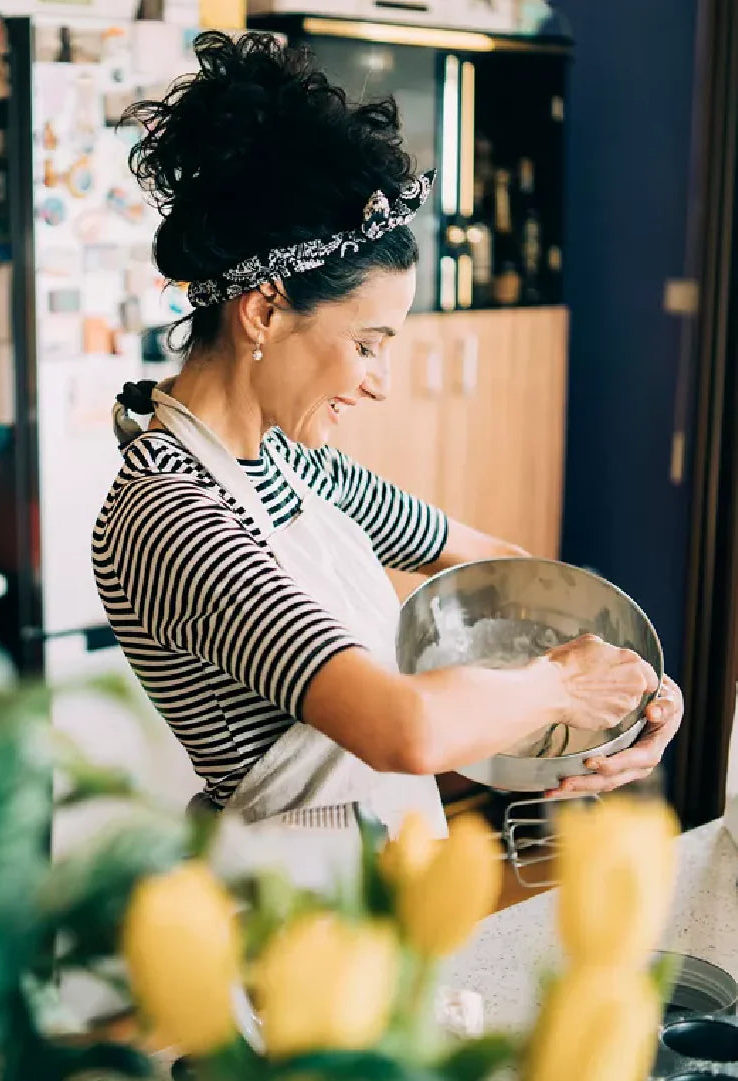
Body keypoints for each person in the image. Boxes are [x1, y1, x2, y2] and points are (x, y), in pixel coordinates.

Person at [92, 31, 683, 866]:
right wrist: (562, 685)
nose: (380, 381)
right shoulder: (170, 513)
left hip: (378, 882)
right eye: (367, 343)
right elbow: (401, 728)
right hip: (279, 914)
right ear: (262, 313)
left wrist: (636, 690)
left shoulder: (294, 462)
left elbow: (501, 576)